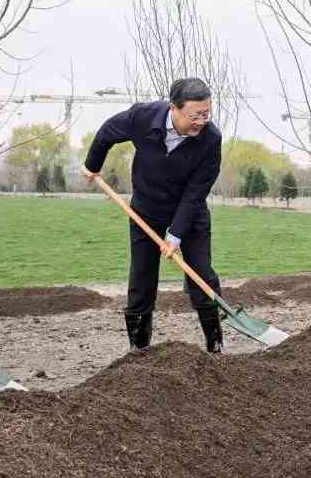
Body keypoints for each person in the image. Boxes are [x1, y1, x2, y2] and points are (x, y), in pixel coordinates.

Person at [83, 78, 224, 353]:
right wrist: (92, 165)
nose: (202, 121)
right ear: (174, 108)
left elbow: (197, 192)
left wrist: (176, 234)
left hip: (189, 215)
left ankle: (215, 344)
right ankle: (139, 350)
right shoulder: (144, 117)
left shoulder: (211, 140)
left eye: (207, 114)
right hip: (146, 211)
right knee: (141, 280)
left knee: (202, 275)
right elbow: (107, 132)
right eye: (196, 115)